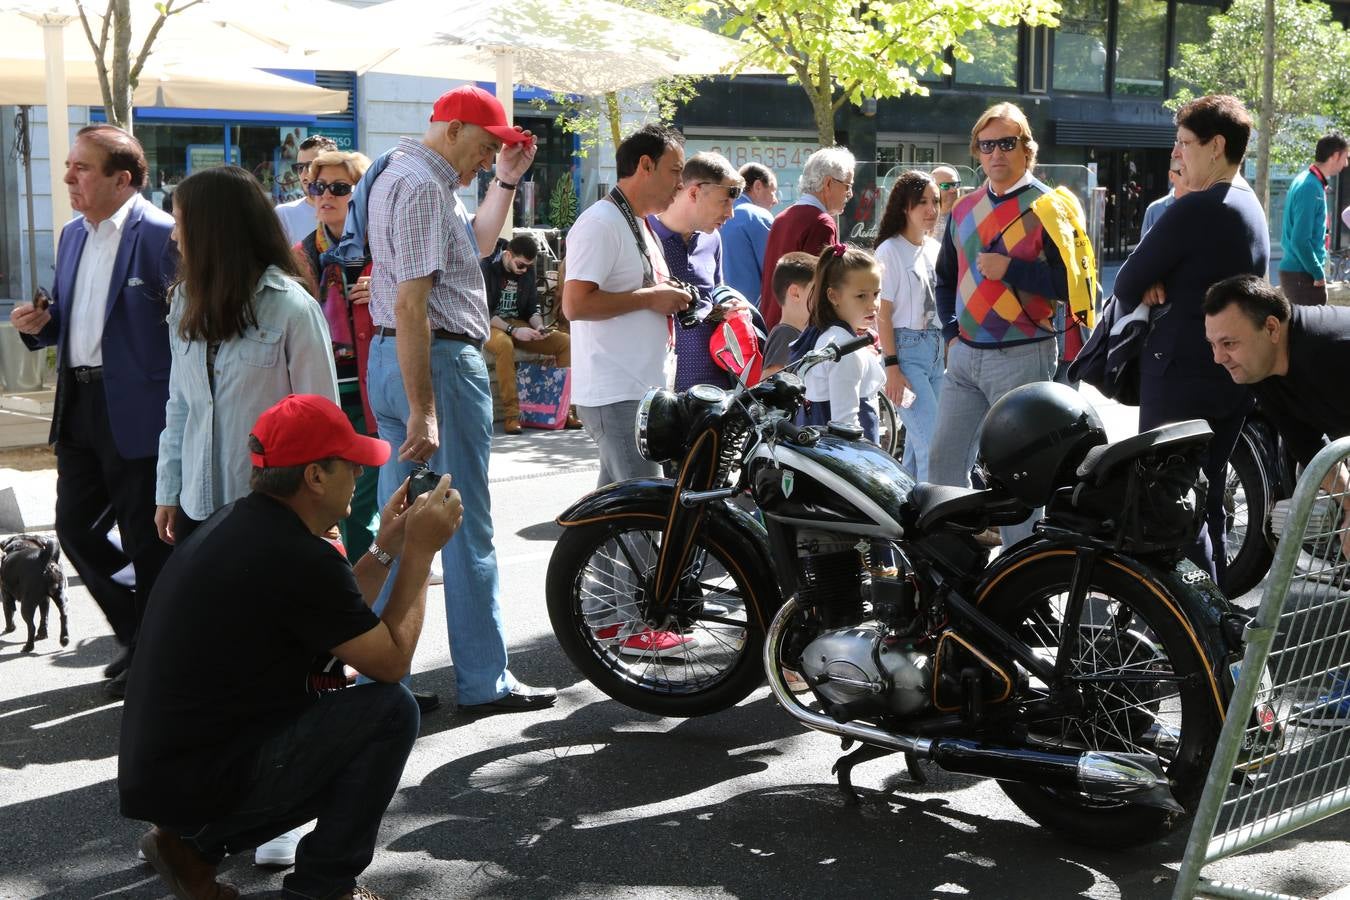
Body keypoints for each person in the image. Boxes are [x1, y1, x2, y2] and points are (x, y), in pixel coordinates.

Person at [120, 393, 462, 900]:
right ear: (315, 477)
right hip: (205, 779)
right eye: (349, 464)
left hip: (175, 778)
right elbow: (390, 662)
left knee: (347, 708)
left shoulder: (243, 522)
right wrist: (419, 552)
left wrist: (387, 544)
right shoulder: (297, 556)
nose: (359, 475)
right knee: (390, 711)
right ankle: (323, 888)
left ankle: (190, 847)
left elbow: (333, 612)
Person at [365, 84, 556, 712]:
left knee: (397, 526)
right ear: (453, 129)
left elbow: (467, 249)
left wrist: (502, 180)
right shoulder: (423, 185)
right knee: (463, 525)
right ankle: (482, 680)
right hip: (436, 361)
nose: (486, 156)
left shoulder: (401, 169)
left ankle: (378, 681)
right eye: (485, 144)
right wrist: (425, 407)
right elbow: (413, 301)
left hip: (403, 358)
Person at [9, 124, 175, 698]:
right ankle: (138, 632)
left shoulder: (162, 236)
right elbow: (72, 317)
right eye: (69, 166)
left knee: (144, 536)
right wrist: (40, 326)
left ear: (121, 179)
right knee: (75, 529)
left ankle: (155, 657)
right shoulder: (71, 235)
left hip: (139, 408)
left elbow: (182, 330)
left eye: (81, 168)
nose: (67, 178)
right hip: (78, 401)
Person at [1112, 94, 1269, 582]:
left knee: (1169, 502)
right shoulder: (1250, 206)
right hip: (1228, 375)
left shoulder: (1199, 207)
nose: (1177, 154)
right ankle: (1213, 624)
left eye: (1184, 143)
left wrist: (1153, 282)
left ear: (1216, 146)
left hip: (1182, 377)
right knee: (1206, 501)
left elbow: (1123, 283)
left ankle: (1192, 630)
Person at [155, 165, 340, 547]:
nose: (174, 236)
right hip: (195, 507)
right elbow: (181, 405)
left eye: (179, 223)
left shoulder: (291, 307)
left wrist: (323, 513)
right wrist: (168, 490)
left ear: (212, 231)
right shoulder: (183, 300)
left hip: (271, 513)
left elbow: (321, 419)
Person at [1203, 274, 1350, 723]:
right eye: (1212, 344)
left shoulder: (1333, 348)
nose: (1218, 357)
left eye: (1229, 343)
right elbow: (1317, 453)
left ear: (1271, 327)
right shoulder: (1262, 370)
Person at [927, 103, 1069, 548]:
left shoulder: (1050, 207)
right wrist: (951, 333)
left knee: (1020, 475)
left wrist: (1009, 268)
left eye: (1007, 143)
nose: (996, 154)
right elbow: (945, 278)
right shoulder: (964, 207)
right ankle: (952, 571)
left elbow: (1071, 285)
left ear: (1028, 149)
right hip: (966, 355)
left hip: (1023, 353)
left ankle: (1023, 580)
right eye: (987, 145)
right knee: (943, 465)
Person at [562, 123, 692, 487]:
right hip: (617, 394)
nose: (680, 184)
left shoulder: (638, 222)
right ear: (646, 166)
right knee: (643, 522)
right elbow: (575, 304)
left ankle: (587, 547)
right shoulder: (601, 222)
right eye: (675, 171)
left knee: (615, 522)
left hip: (637, 392)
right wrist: (653, 298)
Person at [293, 149, 383, 560]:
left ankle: (368, 589)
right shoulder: (300, 255)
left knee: (361, 503)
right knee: (329, 503)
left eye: (339, 188)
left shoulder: (383, 248)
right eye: (317, 187)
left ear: (360, 193)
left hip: (374, 390)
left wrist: (386, 292)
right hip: (320, 392)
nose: (325, 195)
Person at [646, 151, 744, 390]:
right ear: (694, 193)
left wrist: (724, 309)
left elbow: (712, 298)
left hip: (714, 391)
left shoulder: (713, 239)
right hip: (658, 390)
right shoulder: (645, 235)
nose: (730, 213)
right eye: (724, 202)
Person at [875, 170, 944, 481]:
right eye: (922, 203)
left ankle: (909, 519)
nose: (931, 209)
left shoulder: (934, 247)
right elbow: (882, 313)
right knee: (934, 446)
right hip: (905, 355)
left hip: (936, 354)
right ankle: (934, 522)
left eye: (936, 201)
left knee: (920, 448)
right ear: (905, 207)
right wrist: (892, 367)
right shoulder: (889, 250)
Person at [481, 234, 579, 434]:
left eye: (528, 266)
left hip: (518, 323)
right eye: (520, 265)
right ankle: (512, 416)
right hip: (490, 323)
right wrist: (513, 331)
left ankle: (565, 411)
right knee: (504, 345)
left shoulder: (528, 271)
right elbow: (484, 310)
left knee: (565, 342)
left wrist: (539, 327)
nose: (524, 270)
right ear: (508, 255)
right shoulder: (487, 268)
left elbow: (532, 307)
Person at [759, 146, 857, 331]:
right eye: (847, 186)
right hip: (801, 333)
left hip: (773, 327)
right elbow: (821, 289)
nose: (849, 194)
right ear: (828, 183)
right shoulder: (821, 222)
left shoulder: (781, 217)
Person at [802, 244, 885, 444]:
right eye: (861, 295)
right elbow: (845, 424)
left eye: (876, 293)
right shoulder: (844, 350)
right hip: (851, 457)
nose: (873, 303)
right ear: (833, 296)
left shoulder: (833, 337)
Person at [1278, 133, 1349, 307]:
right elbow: (1300, 240)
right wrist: (1318, 273)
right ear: (1335, 156)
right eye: (1345, 158)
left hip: (1300, 274)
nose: (1346, 164)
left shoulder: (1308, 181)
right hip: (1302, 277)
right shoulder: (1310, 186)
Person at [720, 162, 777, 305]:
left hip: (720, 309)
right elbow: (776, 273)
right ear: (758, 186)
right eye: (772, 191)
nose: (775, 200)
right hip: (753, 314)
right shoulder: (758, 216)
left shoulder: (717, 212)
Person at [275, 135, 339, 246]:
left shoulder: (353, 211)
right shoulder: (284, 215)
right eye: (299, 167)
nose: (304, 174)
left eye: (311, 166)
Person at [761, 251, 817, 377]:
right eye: (818, 290)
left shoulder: (799, 333)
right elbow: (769, 386)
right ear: (795, 293)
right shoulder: (785, 334)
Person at [1140, 160, 1189, 238]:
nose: (1188, 177)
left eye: (1191, 172)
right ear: (1171, 176)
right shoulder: (1154, 210)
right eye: (1183, 171)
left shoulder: (1203, 208)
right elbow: (1144, 248)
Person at [931, 164, 961, 241]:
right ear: (932, 188)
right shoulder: (923, 217)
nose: (953, 190)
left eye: (955, 185)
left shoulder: (967, 217)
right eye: (945, 186)